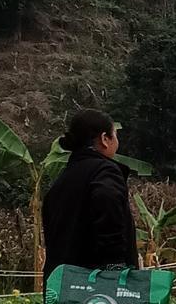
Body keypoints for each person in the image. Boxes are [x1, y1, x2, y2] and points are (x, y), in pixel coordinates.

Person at [42, 109, 139, 285]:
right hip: (95, 288)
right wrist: (115, 268)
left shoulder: (62, 180)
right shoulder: (105, 171)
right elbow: (108, 207)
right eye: (115, 136)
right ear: (104, 139)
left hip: (62, 286)